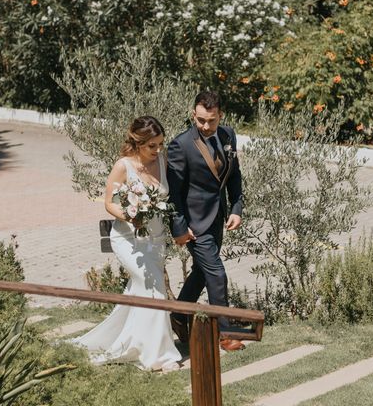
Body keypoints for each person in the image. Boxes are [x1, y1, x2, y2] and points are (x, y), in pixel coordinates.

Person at [71, 116, 182, 372]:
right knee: (153, 289)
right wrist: (132, 216)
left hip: (155, 241)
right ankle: (159, 356)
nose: (157, 150)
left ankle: (126, 341)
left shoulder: (162, 163)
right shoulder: (124, 166)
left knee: (142, 292)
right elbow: (110, 203)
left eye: (160, 144)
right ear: (137, 143)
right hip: (128, 239)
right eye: (151, 146)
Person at [167, 91, 245, 351]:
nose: (205, 126)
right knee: (217, 273)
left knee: (203, 271)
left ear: (220, 116)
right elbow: (173, 192)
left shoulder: (228, 135)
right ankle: (225, 332)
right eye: (200, 120)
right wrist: (178, 227)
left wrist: (236, 208)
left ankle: (178, 315)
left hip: (218, 217)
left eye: (211, 121)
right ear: (193, 115)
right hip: (194, 223)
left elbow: (234, 176)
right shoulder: (181, 145)